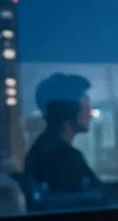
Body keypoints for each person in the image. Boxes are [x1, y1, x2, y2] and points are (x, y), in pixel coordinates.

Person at [23, 72, 100, 206]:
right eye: (86, 107)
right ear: (69, 110)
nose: (90, 115)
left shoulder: (44, 148)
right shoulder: (61, 157)